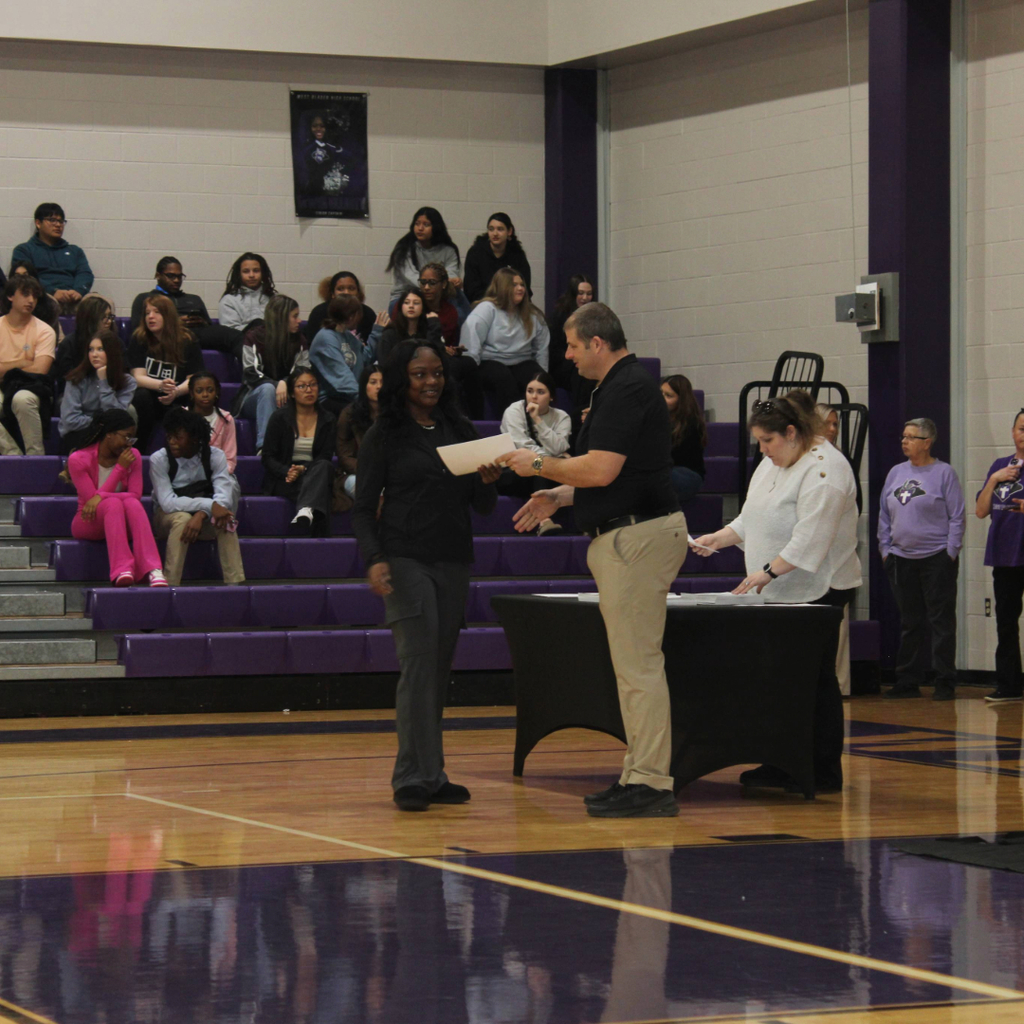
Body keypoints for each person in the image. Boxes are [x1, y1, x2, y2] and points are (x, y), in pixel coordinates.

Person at [497, 303, 687, 818]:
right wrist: (557, 496)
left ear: (598, 343)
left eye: (573, 346)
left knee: (638, 666)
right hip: (631, 532)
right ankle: (638, 774)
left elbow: (602, 471)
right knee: (631, 665)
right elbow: (616, 474)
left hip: (637, 537)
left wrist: (535, 463)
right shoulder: (618, 386)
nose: (568, 355)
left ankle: (650, 781)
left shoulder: (626, 387)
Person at [352, 338, 500, 811]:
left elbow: (482, 504)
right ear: (402, 379)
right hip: (404, 557)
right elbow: (360, 509)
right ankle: (410, 776)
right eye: (420, 374)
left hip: (453, 557)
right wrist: (375, 558)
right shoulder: (385, 434)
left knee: (437, 668)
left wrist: (488, 480)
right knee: (418, 665)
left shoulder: (460, 427)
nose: (431, 381)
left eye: (437, 372)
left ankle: (432, 774)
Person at [692, 391, 861, 794]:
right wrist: (719, 537)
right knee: (777, 681)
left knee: (812, 681)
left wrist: (765, 573)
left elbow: (810, 540)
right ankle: (781, 761)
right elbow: (753, 518)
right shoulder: (773, 464)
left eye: (768, 441)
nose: (764, 451)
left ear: (791, 432)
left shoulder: (826, 470)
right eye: (759, 443)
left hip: (817, 591)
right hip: (777, 590)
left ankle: (820, 771)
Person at [878, 418, 965, 701]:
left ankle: (944, 680)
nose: (904, 441)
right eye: (904, 436)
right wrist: (885, 549)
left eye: (911, 437)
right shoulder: (895, 473)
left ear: (927, 443)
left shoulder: (944, 473)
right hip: (901, 558)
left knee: (941, 621)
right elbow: (884, 514)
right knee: (910, 621)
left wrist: (950, 552)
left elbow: (957, 516)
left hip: (936, 558)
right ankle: (907, 680)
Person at [67, 409, 165, 587]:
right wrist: (120, 469)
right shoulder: (78, 459)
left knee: (132, 503)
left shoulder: (133, 455)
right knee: (113, 503)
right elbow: (92, 502)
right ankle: (122, 569)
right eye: (126, 437)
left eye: (132, 438)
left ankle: (153, 569)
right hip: (88, 520)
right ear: (109, 434)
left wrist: (102, 495)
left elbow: (135, 495)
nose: (129, 444)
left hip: (122, 520)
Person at [149, 407, 244, 587]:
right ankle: (170, 584)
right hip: (166, 520)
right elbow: (168, 504)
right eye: (169, 436)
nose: (172, 442)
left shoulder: (216, 456)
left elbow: (223, 499)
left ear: (195, 439)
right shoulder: (159, 459)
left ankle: (234, 584)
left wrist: (202, 514)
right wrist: (209, 505)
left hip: (203, 521)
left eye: (178, 438)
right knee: (183, 518)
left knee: (226, 519)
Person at [977, 409, 1024, 703]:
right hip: (1006, 555)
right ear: (1012, 432)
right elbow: (981, 510)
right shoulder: (1000, 466)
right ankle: (1009, 686)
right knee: (1006, 621)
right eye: (1021, 428)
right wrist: (994, 479)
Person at [461, 268, 549, 415]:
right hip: (490, 361)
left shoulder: (532, 313)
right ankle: (509, 426)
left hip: (522, 360)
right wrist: (471, 378)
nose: (520, 288)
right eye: (514, 285)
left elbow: (541, 348)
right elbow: (471, 344)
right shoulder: (486, 309)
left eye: (522, 285)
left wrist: (544, 376)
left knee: (538, 380)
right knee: (504, 379)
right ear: (503, 287)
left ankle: (539, 424)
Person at [261, 368, 336, 535]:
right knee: (322, 489)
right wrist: (288, 471)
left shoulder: (328, 419)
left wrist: (304, 468)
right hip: (285, 478)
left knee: (324, 466)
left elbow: (325, 455)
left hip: (313, 471)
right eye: (302, 386)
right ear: (292, 393)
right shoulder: (279, 418)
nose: (309, 390)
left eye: (313, 385)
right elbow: (267, 457)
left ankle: (305, 512)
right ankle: (311, 521)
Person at [234, 295, 310, 451]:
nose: (299, 320)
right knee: (268, 390)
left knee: (309, 391)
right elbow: (250, 373)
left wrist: (285, 383)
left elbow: (303, 373)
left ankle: (305, 450)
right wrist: (276, 385)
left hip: (287, 394)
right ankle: (266, 448)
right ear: (281, 318)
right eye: (295, 316)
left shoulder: (300, 341)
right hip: (253, 396)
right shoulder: (253, 337)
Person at [128, 295, 204, 449]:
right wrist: (161, 385)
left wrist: (175, 392)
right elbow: (138, 377)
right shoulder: (139, 338)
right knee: (140, 396)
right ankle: (138, 450)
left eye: (156, 312)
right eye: (147, 313)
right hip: (150, 398)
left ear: (168, 315)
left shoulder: (187, 340)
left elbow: (193, 379)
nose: (151, 317)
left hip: (177, 397)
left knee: (187, 406)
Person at [499, 371, 570, 536]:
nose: (533, 397)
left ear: (551, 396)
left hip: (543, 472)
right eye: (530, 391)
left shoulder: (562, 417)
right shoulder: (514, 411)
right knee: (540, 466)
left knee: (541, 467)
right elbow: (522, 446)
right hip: (513, 471)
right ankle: (544, 521)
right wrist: (554, 460)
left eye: (540, 392)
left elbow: (559, 447)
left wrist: (537, 420)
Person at [131, 257, 241, 358]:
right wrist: (174, 323)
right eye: (171, 276)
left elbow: (209, 326)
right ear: (158, 275)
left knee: (235, 336)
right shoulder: (146, 298)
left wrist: (201, 321)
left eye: (179, 276)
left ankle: (252, 373)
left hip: (196, 333)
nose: (176, 280)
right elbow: (137, 328)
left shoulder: (194, 299)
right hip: (165, 335)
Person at [0, 275, 56, 456]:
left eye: (35, 296)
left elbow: (40, 370)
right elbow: (32, 366)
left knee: (22, 400)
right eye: (25, 294)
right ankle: (12, 455)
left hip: (30, 387)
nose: (31, 300)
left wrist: (5, 368)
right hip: (2, 388)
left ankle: (36, 456)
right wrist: (22, 363)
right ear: (10, 296)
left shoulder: (45, 330)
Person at [417, 262, 482, 418]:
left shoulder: (450, 311)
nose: (426, 287)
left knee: (470, 364)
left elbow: (446, 340)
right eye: (423, 282)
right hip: (419, 354)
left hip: (442, 354)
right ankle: (455, 418)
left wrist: (453, 348)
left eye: (432, 283)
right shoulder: (414, 304)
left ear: (443, 284)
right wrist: (440, 348)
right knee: (449, 370)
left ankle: (477, 420)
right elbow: (413, 337)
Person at [59, 328, 136, 454]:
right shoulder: (76, 378)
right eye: (91, 349)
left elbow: (117, 418)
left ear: (112, 352)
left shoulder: (128, 382)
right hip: (78, 435)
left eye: (100, 349)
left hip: (109, 436)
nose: (94, 354)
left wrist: (103, 381)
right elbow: (70, 420)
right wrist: (100, 423)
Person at [11, 203, 93, 310]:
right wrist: (53, 291)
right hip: (44, 295)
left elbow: (85, 273)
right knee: (49, 304)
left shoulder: (75, 251)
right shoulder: (24, 250)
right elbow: (26, 278)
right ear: (38, 223)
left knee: (101, 304)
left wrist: (78, 291)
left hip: (74, 296)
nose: (58, 225)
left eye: (61, 221)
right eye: (52, 220)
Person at [309, 295, 380, 416]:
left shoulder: (346, 335)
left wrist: (378, 331)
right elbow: (341, 378)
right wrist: (364, 399)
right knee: (364, 412)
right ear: (351, 316)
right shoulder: (326, 338)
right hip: (329, 399)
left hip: (350, 396)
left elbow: (364, 359)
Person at [386, 207, 461, 301]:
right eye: (417, 224)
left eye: (426, 225)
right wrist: (439, 283)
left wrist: (455, 281)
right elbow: (412, 278)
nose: (420, 228)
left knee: (459, 299)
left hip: (439, 296)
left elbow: (451, 275)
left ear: (436, 227)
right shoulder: (404, 249)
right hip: (405, 297)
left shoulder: (448, 250)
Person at [335, 363, 382, 510]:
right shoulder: (349, 415)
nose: (379, 387)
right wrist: (371, 471)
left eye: (382, 382)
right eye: (373, 382)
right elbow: (344, 457)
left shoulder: (395, 414)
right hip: (355, 474)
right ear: (364, 386)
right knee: (371, 491)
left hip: (389, 475)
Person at [50, 294, 114, 398]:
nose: (109, 321)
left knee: (129, 409)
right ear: (90, 319)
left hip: (108, 392)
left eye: (110, 316)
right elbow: (66, 379)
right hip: (76, 394)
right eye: (104, 317)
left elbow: (122, 373)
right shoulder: (69, 344)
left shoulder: (116, 342)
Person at [548, 274, 596, 409]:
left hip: (585, 360)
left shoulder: (595, 317)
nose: (585, 298)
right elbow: (554, 351)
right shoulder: (559, 315)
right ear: (573, 294)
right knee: (581, 374)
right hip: (564, 364)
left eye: (589, 294)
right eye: (581, 293)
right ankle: (579, 418)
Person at [462, 212, 532, 303]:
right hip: (483, 304)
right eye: (491, 229)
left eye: (500, 229)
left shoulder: (517, 255)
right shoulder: (475, 253)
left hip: (512, 304)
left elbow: (524, 286)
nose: (495, 233)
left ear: (509, 231)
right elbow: (471, 289)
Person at [661, 375, 706, 509]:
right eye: (660, 393)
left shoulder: (691, 422)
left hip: (687, 475)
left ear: (681, 400)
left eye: (668, 396)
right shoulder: (658, 417)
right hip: (668, 470)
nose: (662, 399)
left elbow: (671, 457)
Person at [305, 271, 378, 344]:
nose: (346, 292)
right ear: (332, 294)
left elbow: (371, 350)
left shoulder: (367, 314)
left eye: (351, 288)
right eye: (340, 289)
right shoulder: (318, 313)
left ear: (358, 292)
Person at [377, 288, 442, 366]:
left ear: (423, 307)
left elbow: (438, 356)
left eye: (416, 303)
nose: (411, 306)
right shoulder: (390, 333)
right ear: (401, 307)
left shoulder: (429, 330)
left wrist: (434, 325)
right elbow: (384, 363)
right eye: (407, 303)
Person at [188, 372, 237, 474]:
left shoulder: (226, 419)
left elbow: (230, 459)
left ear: (217, 392)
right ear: (192, 394)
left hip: (219, 473)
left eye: (210, 390)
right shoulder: (182, 416)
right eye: (199, 391)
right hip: (187, 473)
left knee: (229, 487)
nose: (205, 395)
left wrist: (218, 475)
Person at [218, 253, 276, 331]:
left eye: (256, 271)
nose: (251, 275)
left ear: (263, 273)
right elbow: (230, 333)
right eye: (246, 271)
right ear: (239, 274)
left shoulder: (274, 299)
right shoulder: (229, 301)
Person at [8, 261, 61, 337]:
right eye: (17, 276)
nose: (22, 280)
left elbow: (53, 338)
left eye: (26, 275)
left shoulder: (50, 305)